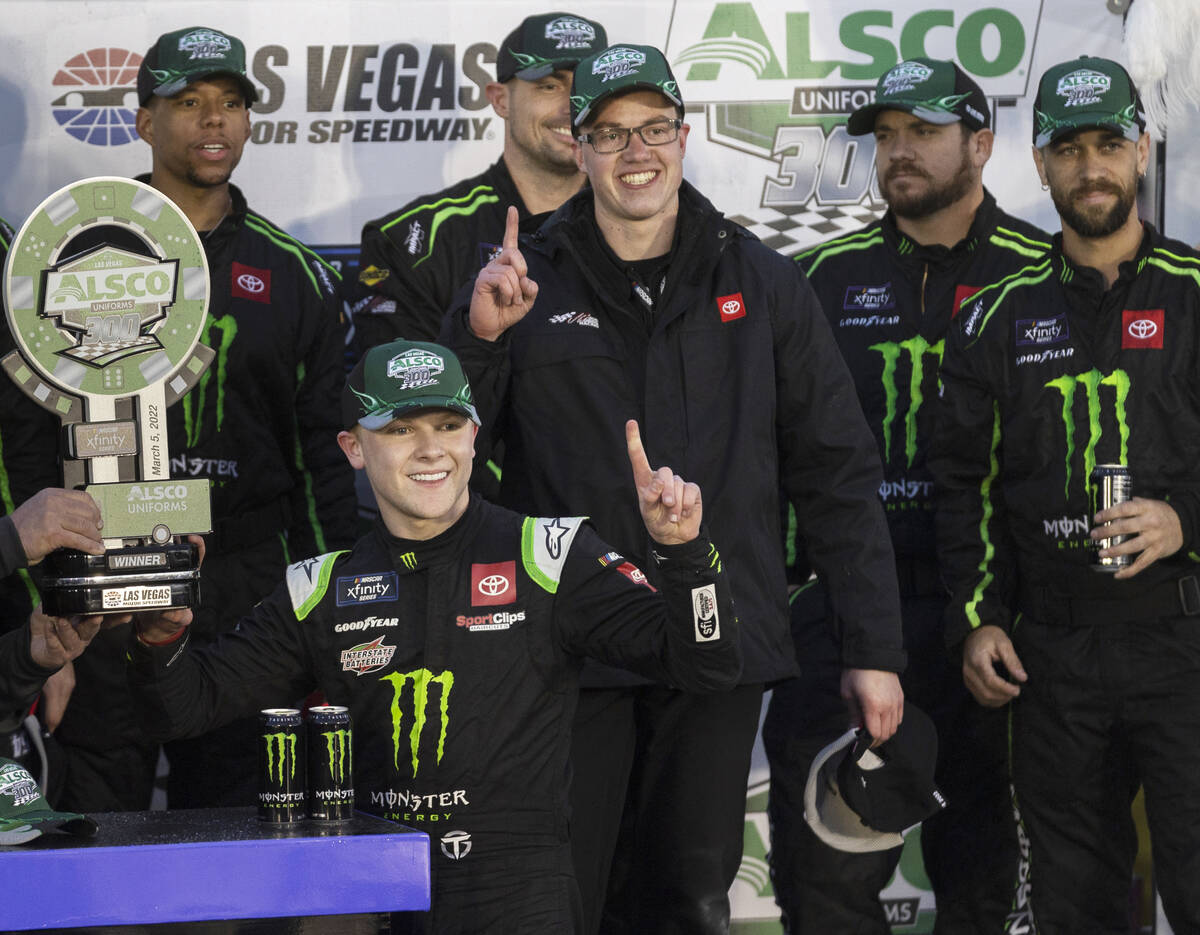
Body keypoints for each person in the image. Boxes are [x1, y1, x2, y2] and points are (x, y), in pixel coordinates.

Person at [444, 44, 906, 934]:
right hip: (572, 648)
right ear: (578, 151)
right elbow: (437, 455)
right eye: (611, 134)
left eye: (653, 128)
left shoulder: (763, 280)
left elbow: (837, 471)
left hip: (715, 639)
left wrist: (872, 645)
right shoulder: (517, 282)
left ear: (685, 138)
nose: (635, 152)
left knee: (690, 900)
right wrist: (480, 338)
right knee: (567, 897)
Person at [127, 339, 741, 934]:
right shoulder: (319, 585)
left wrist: (685, 555)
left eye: (448, 425)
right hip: (371, 892)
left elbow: (706, 666)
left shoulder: (547, 554)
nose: (429, 449)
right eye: (400, 429)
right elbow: (185, 707)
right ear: (354, 447)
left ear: (474, 437)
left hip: (517, 895)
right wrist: (159, 634)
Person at [762, 59, 1050, 933]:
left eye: (922, 131)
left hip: (995, 617)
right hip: (848, 611)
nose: (899, 151)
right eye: (886, 135)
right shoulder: (816, 279)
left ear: (982, 143)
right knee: (826, 876)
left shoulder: (1040, 272)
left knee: (986, 870)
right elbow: (774, 452)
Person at [45, 25, 357, 812]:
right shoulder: (71, 254)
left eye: (230, 103)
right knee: (93, 840)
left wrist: (328, 629)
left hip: (246, 594)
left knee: (238, 835)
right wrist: (39, 625)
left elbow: (325, 467)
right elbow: (31, 441)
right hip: (101, 582)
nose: (213, 121)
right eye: (188, 102)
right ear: (144, 121)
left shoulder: (297, 275)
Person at [931, 55, 1200, 934]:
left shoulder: (1197, 295)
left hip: (1183, 638)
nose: (1092, 167)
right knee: (1074, 903)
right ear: (1039, 164)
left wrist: (1183, 518)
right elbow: (961, 487)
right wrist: (978, 618)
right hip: (1051, 655)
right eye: (1070, 149)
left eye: (1110, 143)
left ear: (1143, 150)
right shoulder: (994, 316)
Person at [351, 11, 607, 352]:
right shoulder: (410, 245)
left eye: (586, 89)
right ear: (500, 99)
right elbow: (405, 398)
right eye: (549, 85)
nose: (573, 107)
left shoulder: (649, 230)